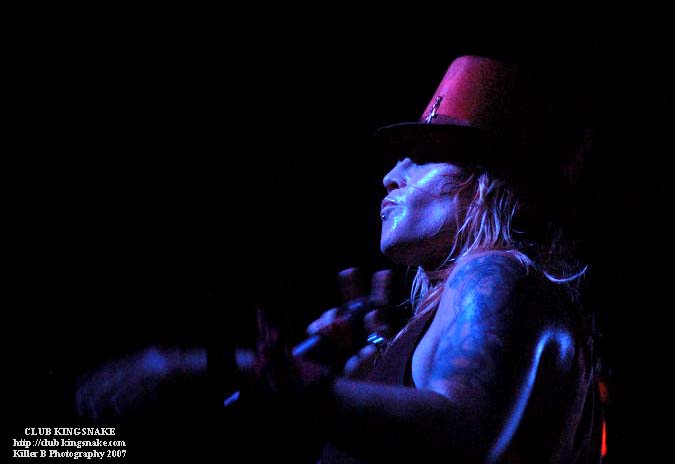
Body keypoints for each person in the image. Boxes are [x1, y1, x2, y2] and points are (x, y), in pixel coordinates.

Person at [77, 54, 603, 463]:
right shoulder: (480, 292)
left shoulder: (495, 271)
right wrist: (368, 370)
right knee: (59, 446)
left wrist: (197, 369)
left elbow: (460, 432)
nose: (391, 176)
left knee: (49, 446)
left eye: (422, 157)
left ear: (488, 182)